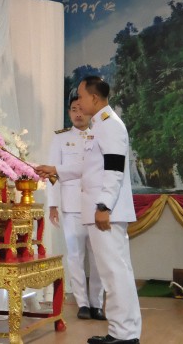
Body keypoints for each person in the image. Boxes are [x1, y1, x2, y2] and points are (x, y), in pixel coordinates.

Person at [37, 76, 141, 344]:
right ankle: (122, 332)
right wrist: (55, 169)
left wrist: (104, 205)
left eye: (82, 97)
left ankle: (125, 334)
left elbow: (114, 170)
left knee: (115, 273)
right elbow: (88, 166)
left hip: (107, 212)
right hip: (102, 210)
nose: (79, 103)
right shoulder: (99, 125)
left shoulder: (110, 126)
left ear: (94, 98)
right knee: (114, 273)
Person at [47, 91, 105, 321]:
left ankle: (97, 303)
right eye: (73, 110)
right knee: (75, 255)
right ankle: (82, 303)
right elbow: (52, 173)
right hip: (71, 205)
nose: (78, 114)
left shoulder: (99, 135)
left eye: (81, 109)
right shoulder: (60, 138)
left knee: (98, 256)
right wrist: (53, 204)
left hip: (95, 205)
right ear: (69, 113)